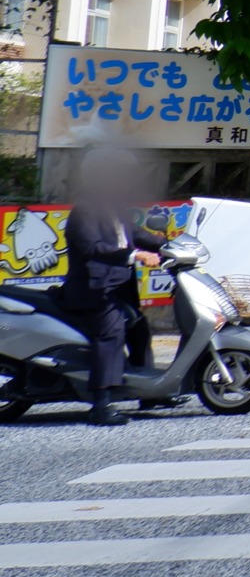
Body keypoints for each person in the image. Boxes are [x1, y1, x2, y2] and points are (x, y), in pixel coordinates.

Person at [59, 147, 159, 425]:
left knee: (139, 331)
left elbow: (134, 235)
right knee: (111, 332)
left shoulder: (115, 206)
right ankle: (100, 403)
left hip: (119, 285)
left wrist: (170, 244)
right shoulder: (85, 210)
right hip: (95, 288)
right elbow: (93, 247)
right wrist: (135, 255)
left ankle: (150, 392)